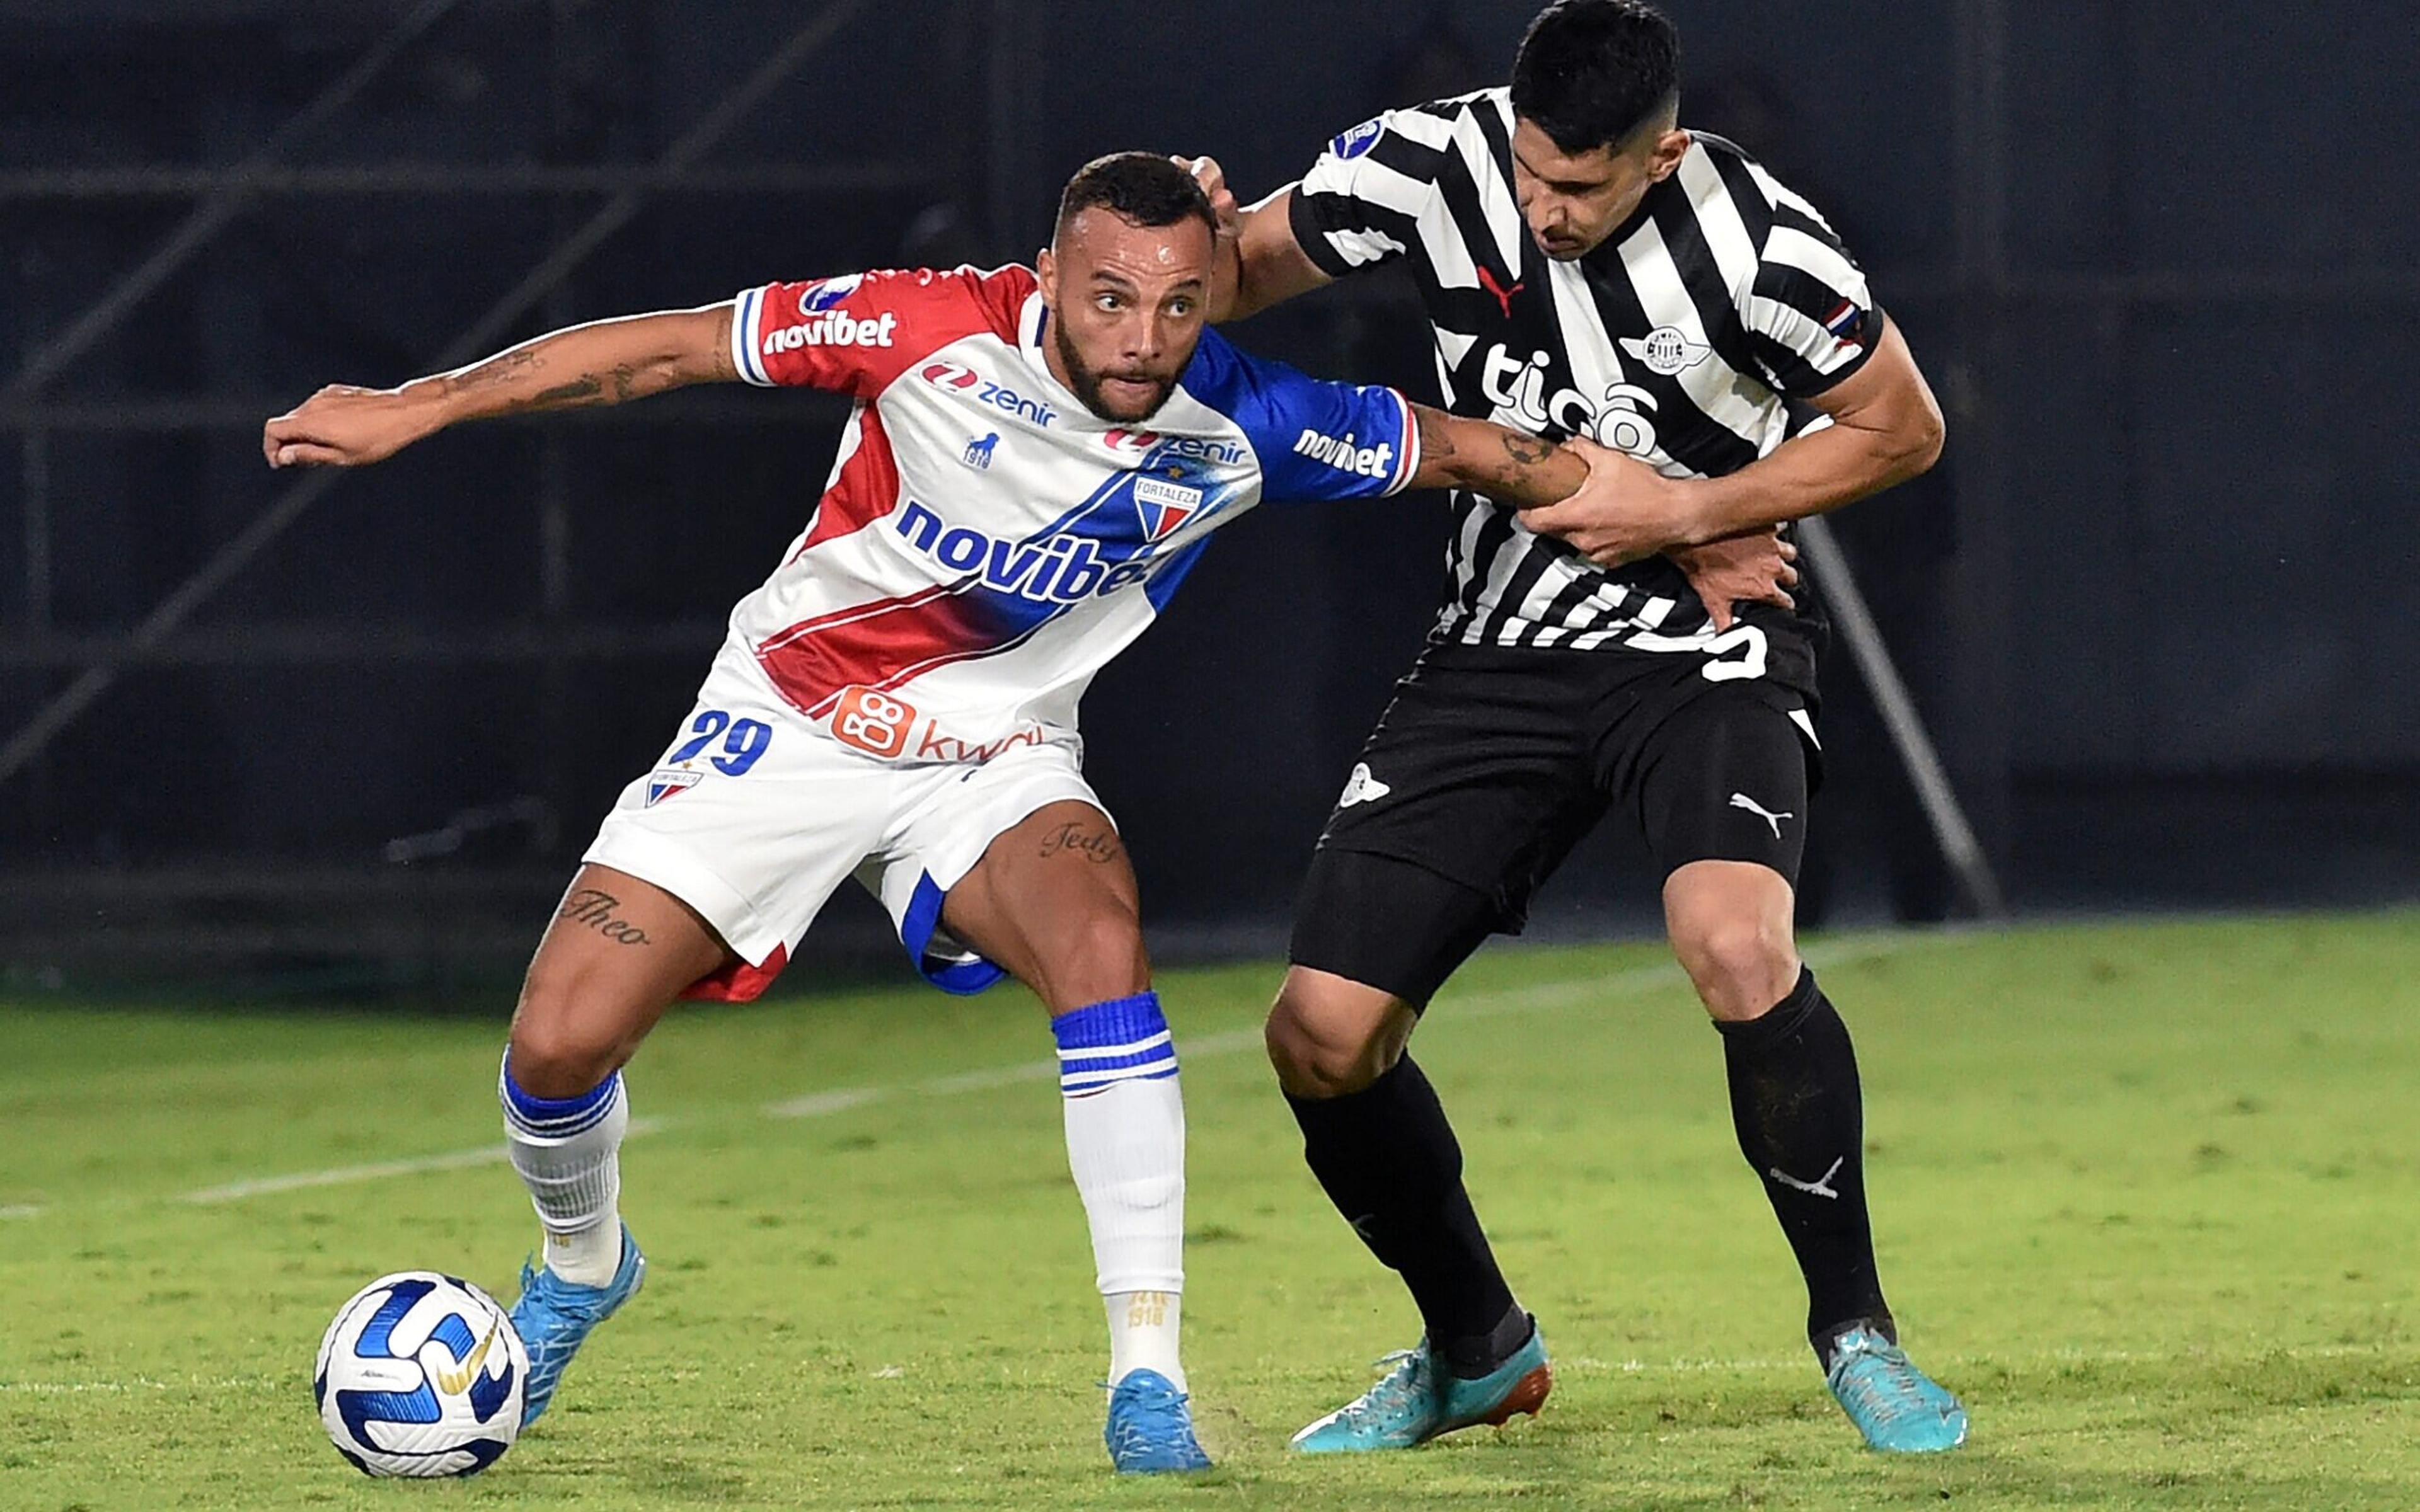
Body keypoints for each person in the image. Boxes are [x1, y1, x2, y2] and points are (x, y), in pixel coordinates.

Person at [259, 151, 1789, 1474]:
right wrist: (421, 404)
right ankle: (584, 1270)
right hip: (785, 720)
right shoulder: (925, 326)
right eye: (1111, 297)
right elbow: (663, 350)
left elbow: (1480, 453)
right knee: (555, 1048)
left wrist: (1696, 528)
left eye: (1181, 304)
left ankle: (1148, 1381)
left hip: (995, 754)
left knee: (1102, 943)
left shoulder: (1251, 419)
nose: (1145, 339)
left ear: (1213, 292)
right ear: (1051, 271)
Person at [1185, 0, 1968, 1456]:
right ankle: (1476, 1344)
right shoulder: (1426, 168)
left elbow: (1903, 426)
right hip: (1494, 649)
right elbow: (1240, 276)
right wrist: (1194, 244)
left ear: (1662, 155)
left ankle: (1856, 1332)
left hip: (1707, 650)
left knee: (1739, 945)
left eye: (1583, 188)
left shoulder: (1764, 242)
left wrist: (1691, 511)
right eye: (1535, 175)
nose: (1546, 208)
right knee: (1321, 1036)